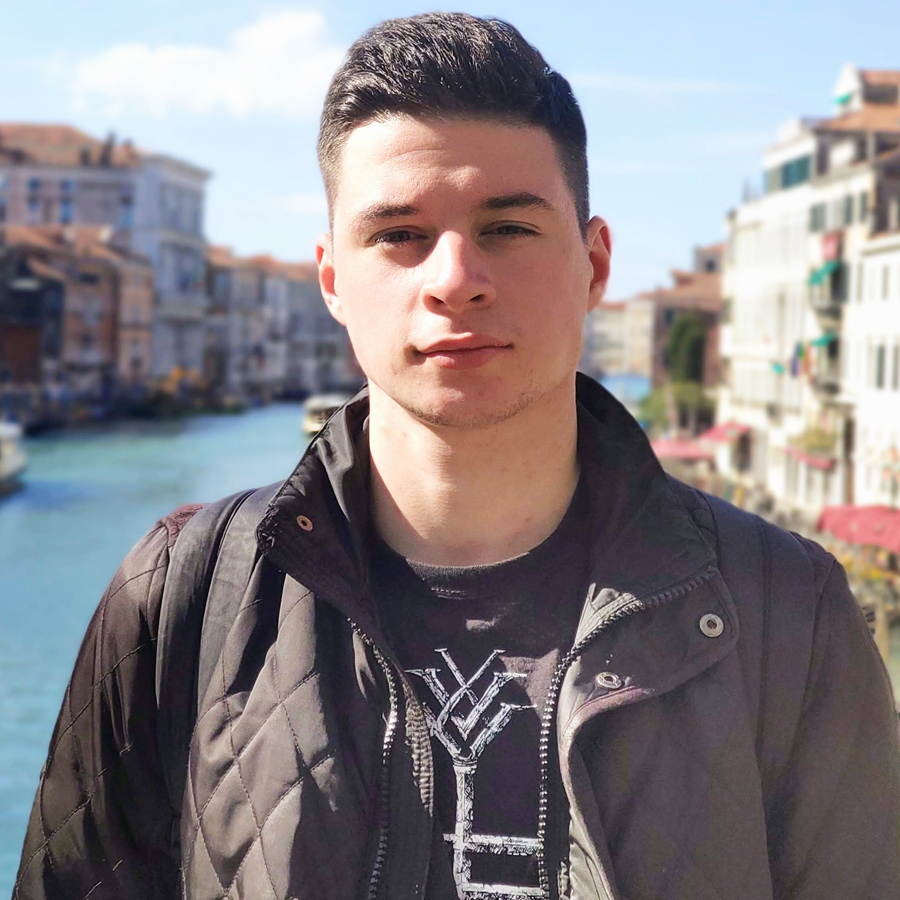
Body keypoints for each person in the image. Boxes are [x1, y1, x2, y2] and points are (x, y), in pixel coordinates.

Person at [13, 13, 900, 900]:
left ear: (594, 266)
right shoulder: (180, 596)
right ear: (333, 280)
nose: (453, 279)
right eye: (398, 235)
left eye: (507, 228)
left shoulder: (791, 610)